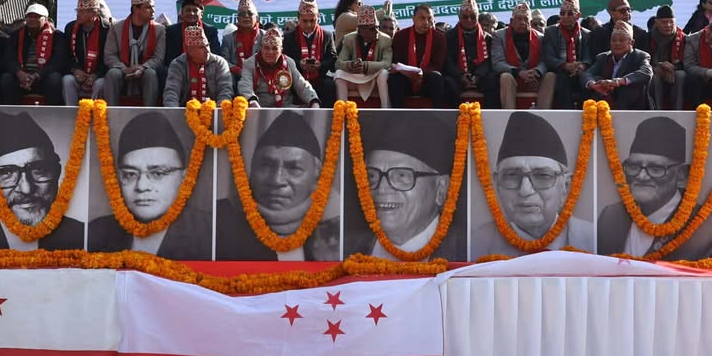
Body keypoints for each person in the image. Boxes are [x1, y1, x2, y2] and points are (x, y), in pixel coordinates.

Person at [214, 110, 339, 260]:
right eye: (266, 165)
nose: (276, 180)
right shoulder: (217, 220)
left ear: (316, 175)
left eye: (294, 168)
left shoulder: (333, 231)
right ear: (251, 169)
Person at [87, 111, 212, 257]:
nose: (142, 186)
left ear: (183, 178)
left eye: (158, 173)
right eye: (130, 174)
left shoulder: (210, 231)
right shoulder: (96, 233)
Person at [470, 110, 594, 256]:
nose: (525, 190)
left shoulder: (593, 239)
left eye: (542, 176)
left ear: (566, 186)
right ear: (497, 184)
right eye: (512, 175)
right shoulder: (475, 243)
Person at [345, 109, 465, 259]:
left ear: (441, 189)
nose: (382, 189)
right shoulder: (345, 249)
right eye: (372, 176)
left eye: (401, 176)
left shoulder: (466, 250)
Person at [594, 115, 712, 259]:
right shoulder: (610, 217)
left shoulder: (707, 230)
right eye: (634, 166)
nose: (642, 176)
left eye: (656, 169)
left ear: (681, 175)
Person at [0, 108, 85, 251]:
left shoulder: (81, 236)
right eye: (7, 173)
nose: (27, 189)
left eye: (39, 169)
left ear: (57, 173)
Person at [100, 0, 166, 108]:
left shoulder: (159, 30)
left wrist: (142, 67)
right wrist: (124, 69)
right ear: (136, 9)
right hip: (123, 70)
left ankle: (149, 113)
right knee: (113, 73)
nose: (153, 11)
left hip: (145, 71)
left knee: (150, 74)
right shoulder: (116, 28)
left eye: (153, 7)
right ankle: (112, 114)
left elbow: (158, 58)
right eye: (148, 7)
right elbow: (109, 55)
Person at [0, 2, 67, 104]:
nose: (32, 19)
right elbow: (9, 58)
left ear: (45, 19)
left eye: (36, 17)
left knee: (55, 78)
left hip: (43, 77)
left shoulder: (57, 36)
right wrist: (19, 73)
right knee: (6, 78)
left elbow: (58, 62)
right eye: (29, 17)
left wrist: (37, 75)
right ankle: (10, 112)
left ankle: (52, 113)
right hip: (22, 77)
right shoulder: (16, 35)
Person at [241, 24, 320, 108]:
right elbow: (245, 86)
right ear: (261, 48)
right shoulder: (250, 63)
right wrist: (252, 101)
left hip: (287, 108)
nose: (270, 52)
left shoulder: (289, 62)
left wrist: (313, 100)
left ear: (281, 50)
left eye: (275, 48)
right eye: (266, 48)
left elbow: (302, 85)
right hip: (260, 108)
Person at [494, 1, 555, 110]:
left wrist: (536, 72)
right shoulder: (499, 36)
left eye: (526, 19)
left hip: (534, 78)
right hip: (513, 77)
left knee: (550, 76)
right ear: (511, 21)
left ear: (530, 22)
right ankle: (509, 114)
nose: (522, 22)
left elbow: (545, 61)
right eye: (519, 19)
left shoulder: (541, 37)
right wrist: (519, 72)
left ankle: (544, 113)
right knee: (505, 77)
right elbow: (497, 63)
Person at [333, 4, 395, 108]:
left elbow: (387, 63)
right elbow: (338, 63)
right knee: (339, 74)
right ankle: (343, 110)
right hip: (355, 75)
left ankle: (386, 108)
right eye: (372, 29)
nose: (376, 31)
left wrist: (366, 65)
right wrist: (351, 65)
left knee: (384, 73)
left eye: (377, 27)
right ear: (361, 31)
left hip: (374, 76)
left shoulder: (385, 39)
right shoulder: (349, 38)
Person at [390, 4, 451, 107]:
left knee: (436, 77)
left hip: (427, 80)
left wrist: (422, 73)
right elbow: (397, 62)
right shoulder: (401, 36)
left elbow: (437, 65)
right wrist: (409, 73)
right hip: (406, 78)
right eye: (422, 18)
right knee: (395, 79)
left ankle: (437, 113)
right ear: (413, 19)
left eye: (429, 18)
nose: (426, 22)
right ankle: (398, 113)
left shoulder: (439, 38)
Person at [161, 23, 235, 106]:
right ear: (190, 50)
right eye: (201, 47)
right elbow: (171, 92)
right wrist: (173, 111)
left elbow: (225, 91)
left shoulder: (219, 63)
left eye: (207, 45)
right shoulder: (178, 64)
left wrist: (219, 111)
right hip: (185, 110)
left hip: (213, 110)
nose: (207, 50)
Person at [581, 22, 650, 110]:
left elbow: (646, 72)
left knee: (631, 85)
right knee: (597, 79)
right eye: (613, 40)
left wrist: (618, 81)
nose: (617, 43)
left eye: (621, 40)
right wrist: (593, 84)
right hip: (605, 103)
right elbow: (587, 74)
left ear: (631, 43)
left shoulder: (640, 56)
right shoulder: (603, 57)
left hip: (632, 106)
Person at [283, 0, 337, 106]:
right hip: (296, 77)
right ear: (298, 19)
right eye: (305, 21)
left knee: (330, 86)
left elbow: (332, 58)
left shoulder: (327, 35)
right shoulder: (289, 37)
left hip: (319, 77)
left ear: (318, 17)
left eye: (312, 20)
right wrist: (299, 64)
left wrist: (320, 65)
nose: (308, 25)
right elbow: (284, 59)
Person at [441, 0, 495, 101]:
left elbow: (488, 61)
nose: (469, 20)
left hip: (480, 76)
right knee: (447, 82)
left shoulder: (487, 38)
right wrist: (461, 76)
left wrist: (478, 76)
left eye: (473, 17)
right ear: (459, 17)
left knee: (493, 79)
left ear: (477, 17)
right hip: (457, 77)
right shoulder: (448, 36)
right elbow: (447, 61)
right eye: (465, 17)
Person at [542, 0, 592, 108]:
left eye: (569, 13)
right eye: (562, 13)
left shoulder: (587, 34)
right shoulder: (550, 31)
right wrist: (566, 66)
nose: (565, 16)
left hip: (580, 70)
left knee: (586, 78)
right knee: (562, 79)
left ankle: (588, 112)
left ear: (578, 16)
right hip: (560, 70)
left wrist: (582, 66)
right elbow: (548, 57)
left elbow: (588, 57)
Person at [61, 0, 110, 105]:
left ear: (94, 13)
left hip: (99, 75)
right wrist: (75, 70)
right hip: (78, 74)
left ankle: (94, 113)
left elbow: (109, 58)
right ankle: (72, 113)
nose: (78, 14)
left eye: (82, 12)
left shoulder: (107, 29)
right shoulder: (70, 28)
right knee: (67, 80)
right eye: (77, 11)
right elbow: (66, 56)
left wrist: (96, 74)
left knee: (101, 84)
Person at [162, 0, 221, 73]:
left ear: (201, 14)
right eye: (188, 10)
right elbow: (169, 57)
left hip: (205, 69)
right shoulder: (172, 31)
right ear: (182, 13)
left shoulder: (210, 31)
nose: (191, 13)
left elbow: (215, 56)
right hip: (178, 69)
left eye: (195, 10)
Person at [644, 5, 688, 110]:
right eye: (664, 22)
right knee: (654, 78)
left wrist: (673, 68)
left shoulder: (684, 38)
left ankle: (677, 112)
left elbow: (688, 62)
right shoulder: (647, 37)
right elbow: (643, 60)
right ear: (656, 22)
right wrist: (656, 67)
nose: (668, 25)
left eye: (671, 22)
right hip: (655, 71)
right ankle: (657, 112)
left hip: (674, 73)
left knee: (681, 75)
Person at [219, 0, 264, 73]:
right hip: (235, 75)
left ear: (257, 18)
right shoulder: (228, 38)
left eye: (250, 13)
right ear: (237, 19)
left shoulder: (265, 36)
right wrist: (238, 71)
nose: (246, 16)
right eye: (242, 14)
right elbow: (224, 61)